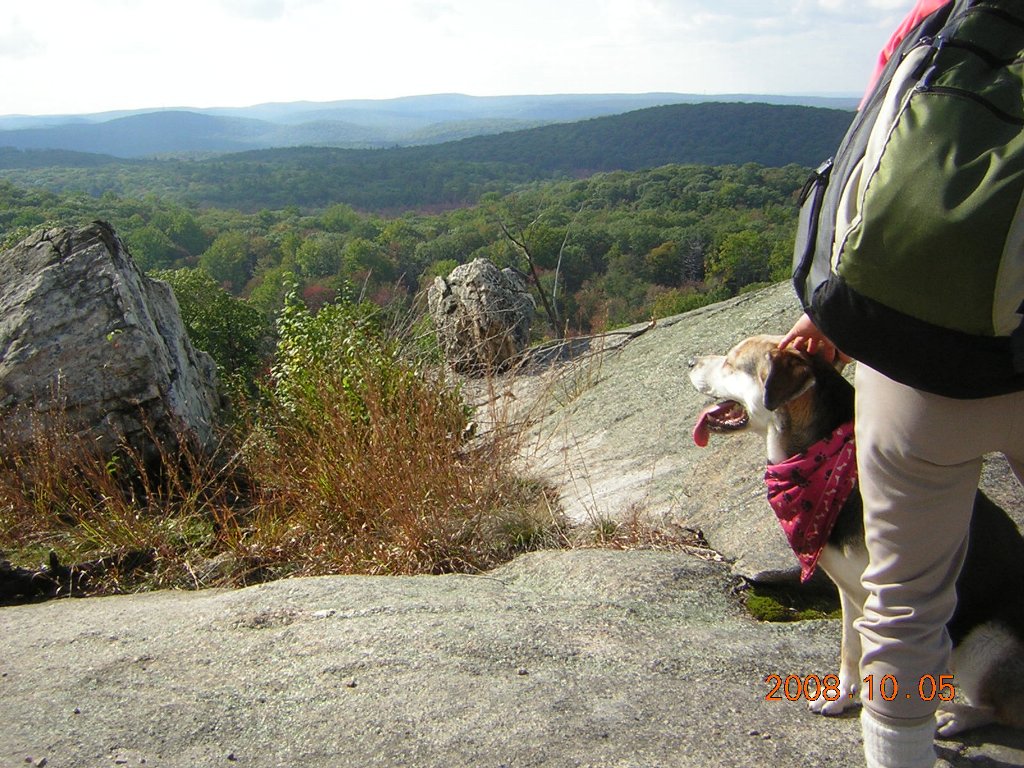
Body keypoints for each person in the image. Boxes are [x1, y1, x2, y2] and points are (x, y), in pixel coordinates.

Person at [782, 2, 1024, 767]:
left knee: (904, 605)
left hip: (918, 358)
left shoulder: (947, 15)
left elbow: (873, 174)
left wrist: (834, 316)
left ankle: (903, 750)